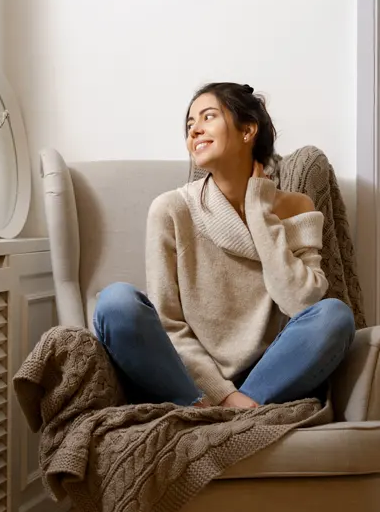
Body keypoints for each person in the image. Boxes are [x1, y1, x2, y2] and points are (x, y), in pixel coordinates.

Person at [93, 82, 355, 409]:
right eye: (189, 124)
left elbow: (300, 303)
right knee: (116, 302)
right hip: (190, 380)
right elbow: (167, 322)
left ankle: (229, 412)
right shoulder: (171, 209)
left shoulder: (296, 206)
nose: (195, 130)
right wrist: (222, 394)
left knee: (334, 315)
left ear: (247, 130)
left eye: (207, 117)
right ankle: (225, 410)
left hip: (269, 372)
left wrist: (260, 212)